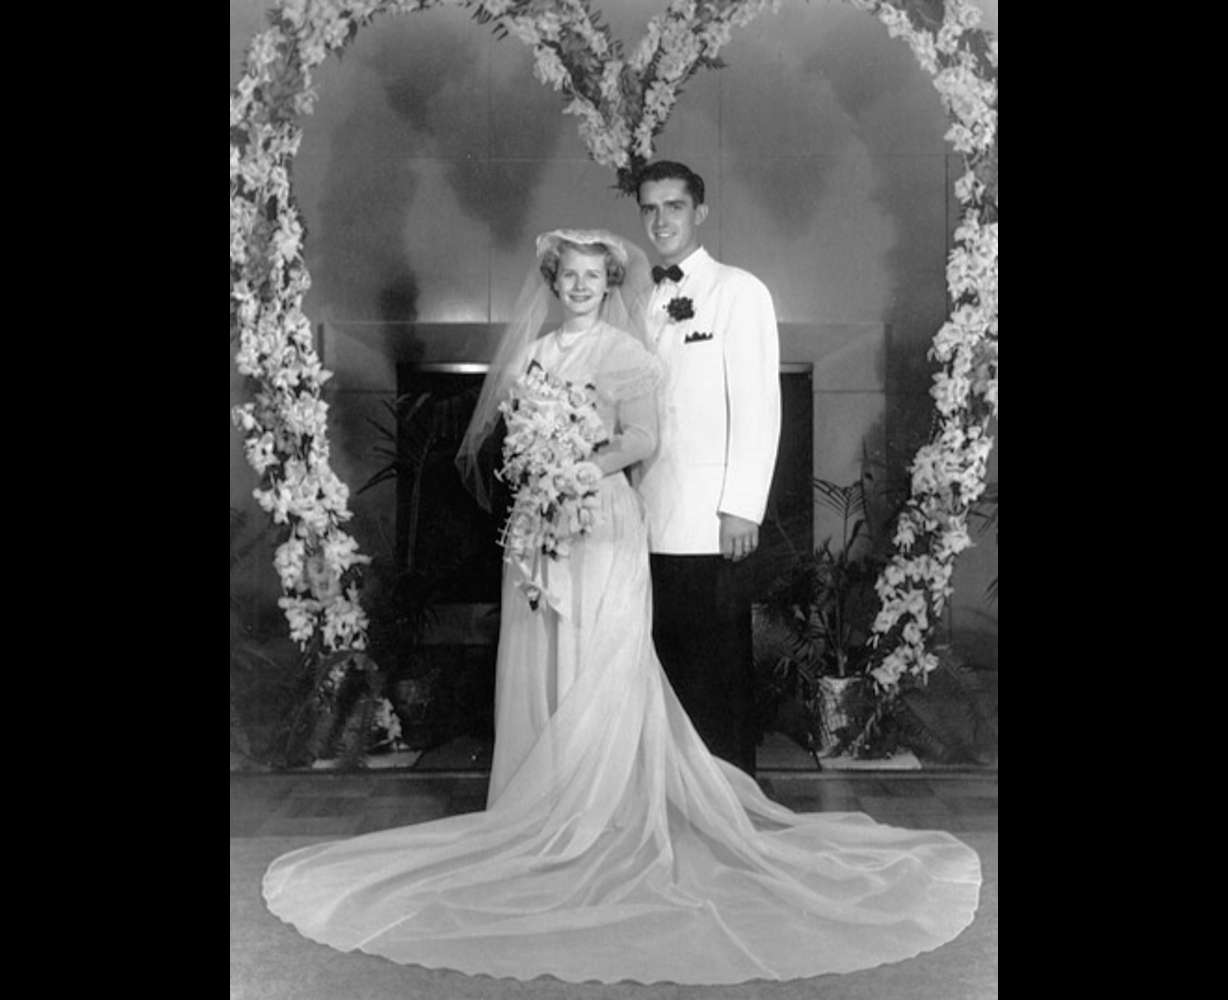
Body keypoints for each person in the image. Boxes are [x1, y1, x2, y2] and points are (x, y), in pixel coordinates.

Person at [261, 229, 981, 986]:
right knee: (543, 652)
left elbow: (645, 437)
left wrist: (580, 464)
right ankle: (542, 805)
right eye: (567, 275)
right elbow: (511, 443)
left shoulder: (628, 354)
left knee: (601, 651)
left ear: (609, 283)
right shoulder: (536, 355)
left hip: (601, 516)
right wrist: (539, 471)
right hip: (542, 523)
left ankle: (602, 809)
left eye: (592, 277)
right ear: (553, 279)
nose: (578, 287)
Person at [633, 160, 780, 776]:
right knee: (656, 667)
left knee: (713, 671)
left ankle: (727, 809)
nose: (662, 220)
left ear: (700, 213)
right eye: (650, 209)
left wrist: (740, 506)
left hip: (709, 519)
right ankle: (667, 806)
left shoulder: (740, 291)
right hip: (641, 515)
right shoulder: (634, 298)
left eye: (674, 206)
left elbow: (757, 405)